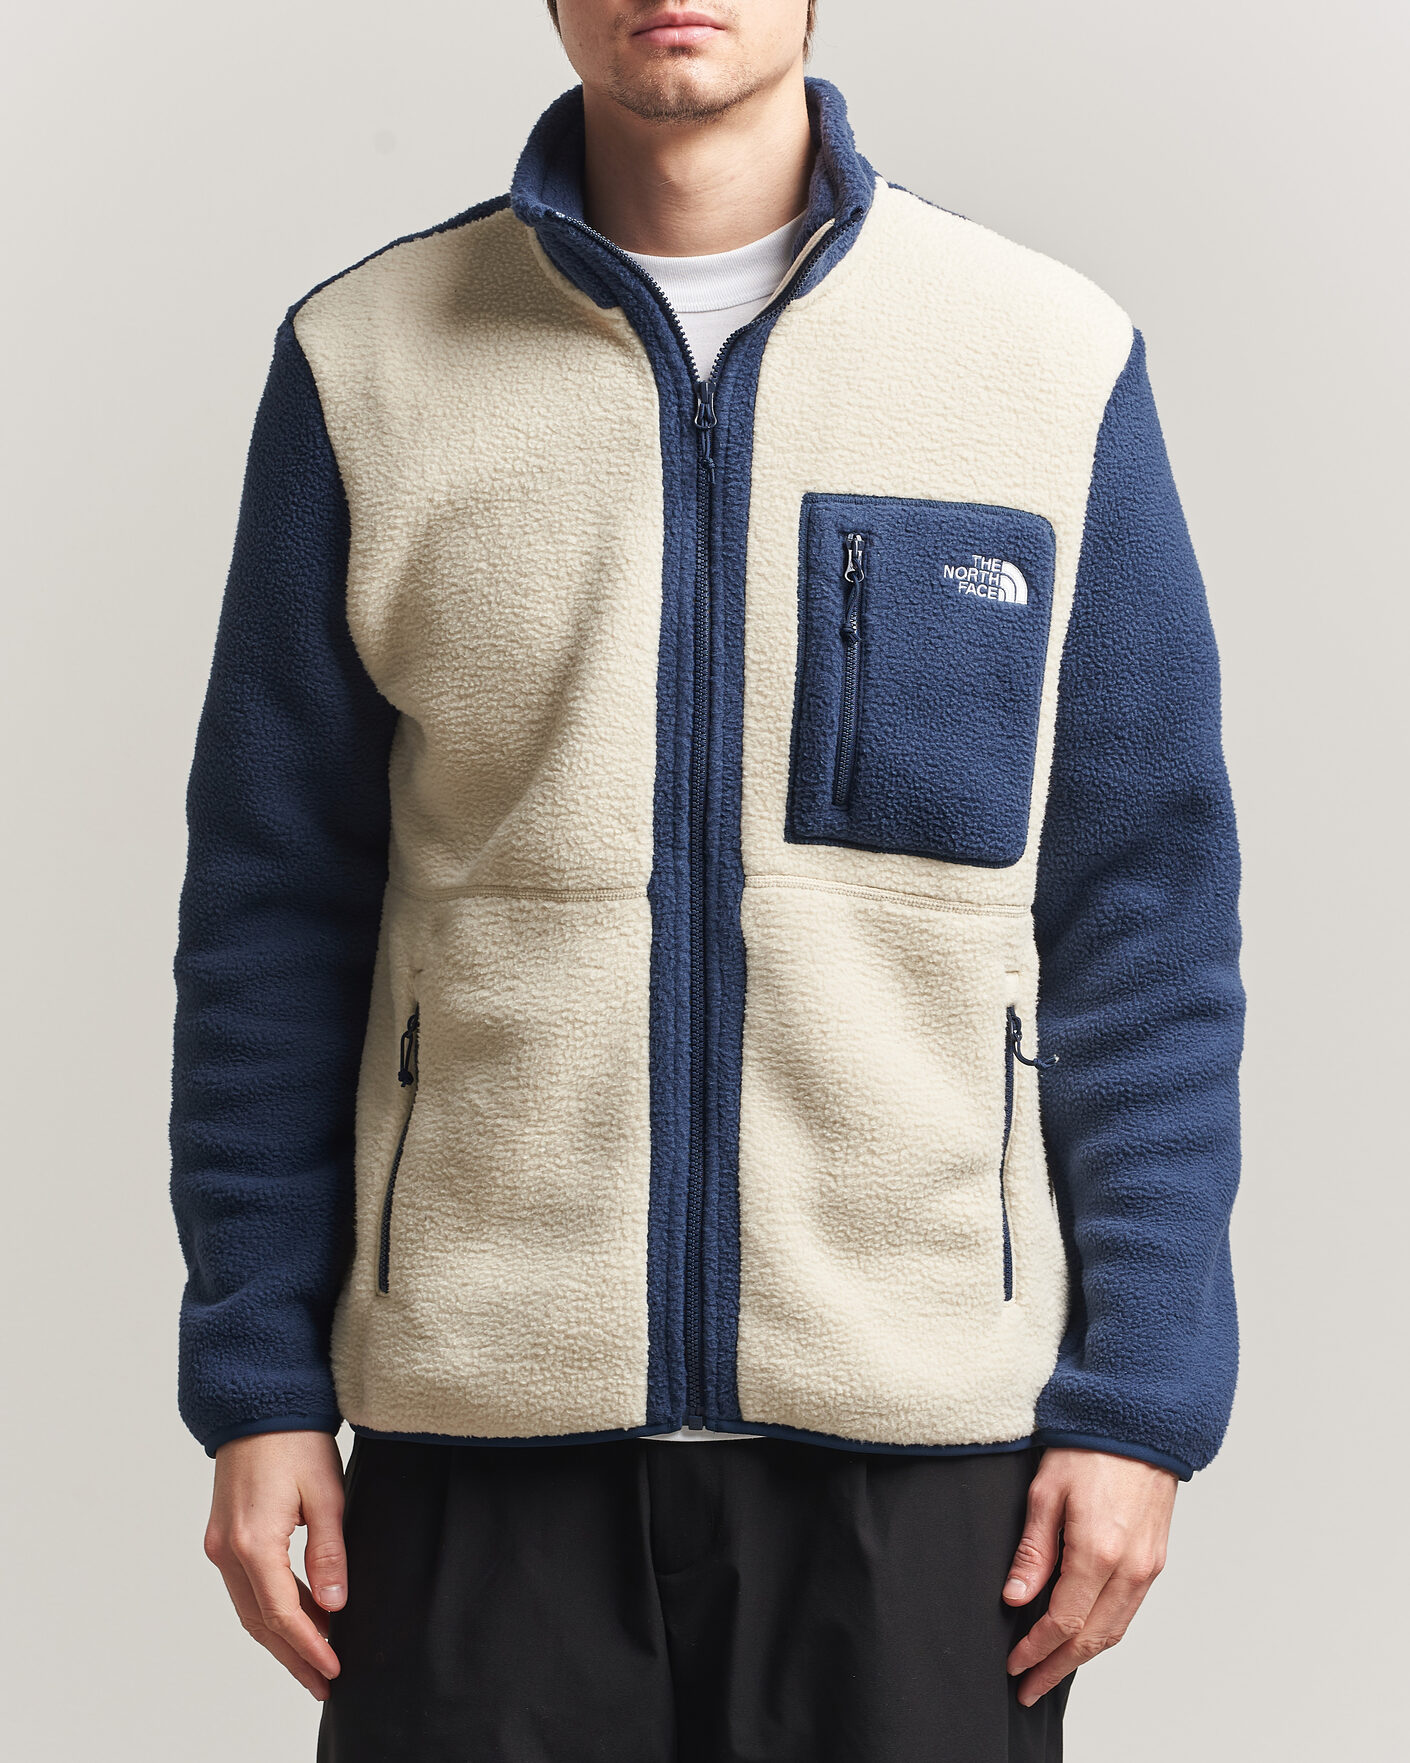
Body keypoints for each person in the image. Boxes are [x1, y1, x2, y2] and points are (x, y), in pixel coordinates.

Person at [172, 3, 1244, 1758]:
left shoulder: (1044, 361)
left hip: (921, 1446)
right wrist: (256, 1380)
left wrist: (1140, 1399)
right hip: (481, 1432)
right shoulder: (367, 362)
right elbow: (269, 920)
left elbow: (1144, 922)